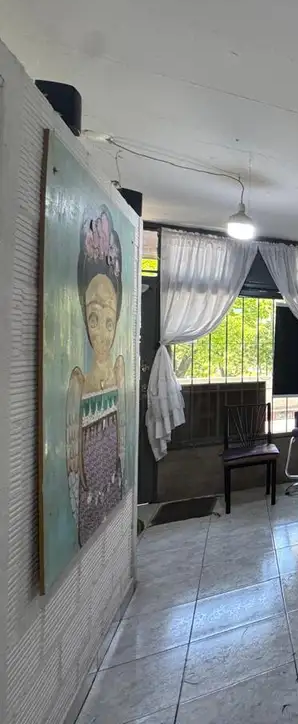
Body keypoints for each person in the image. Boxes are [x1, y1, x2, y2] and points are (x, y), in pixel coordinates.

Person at [66, 206, 125, 547]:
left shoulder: (118, 374)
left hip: (112, 487)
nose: (102, 332)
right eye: (93, 318)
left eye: (109, 321)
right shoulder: (79, 384)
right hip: (90, 500)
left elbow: (119, 450)